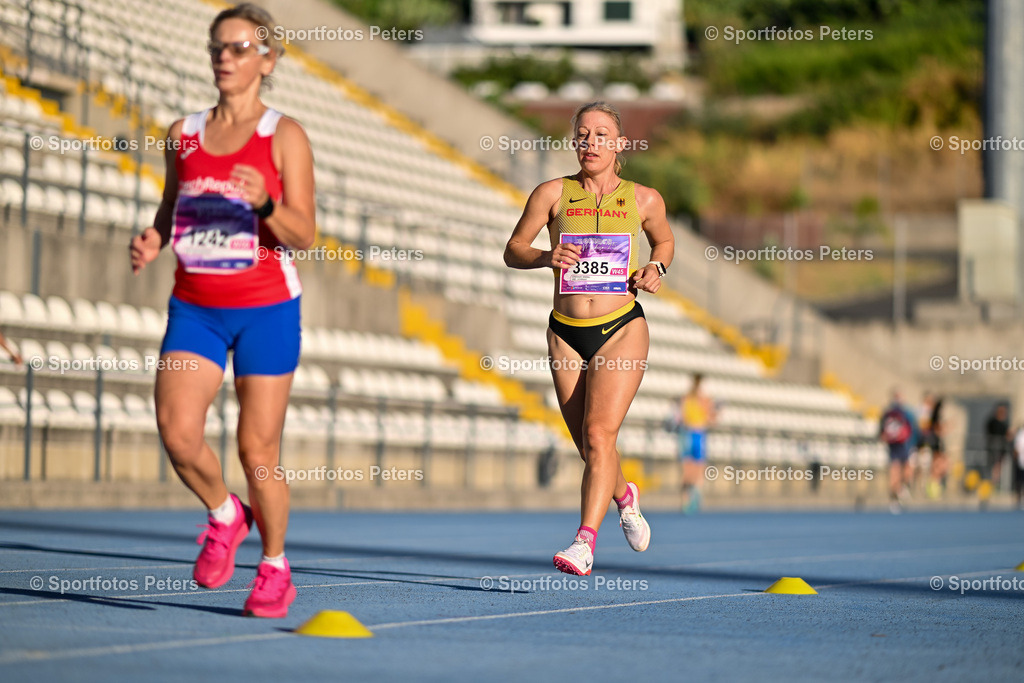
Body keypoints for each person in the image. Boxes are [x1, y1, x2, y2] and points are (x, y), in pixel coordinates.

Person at [129, 3, 315, 618]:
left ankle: (274, 566)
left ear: (267, 59)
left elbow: (304, 235)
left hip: (266, 309)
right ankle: (224, 514)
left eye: (238, 49)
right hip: (195, 307)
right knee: (179, 436)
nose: (225, 59)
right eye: (217, 48)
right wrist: (155, 237)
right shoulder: (183, 133)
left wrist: (264, 205)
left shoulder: (283, 135)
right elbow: (169, 203)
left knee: (257, 451)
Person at [504, 101, 674, 575]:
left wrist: (655, 267)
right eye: (583, 134)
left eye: (602, 135)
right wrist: (546, 257)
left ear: (620, 144)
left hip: (621, 327)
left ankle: (584, 542)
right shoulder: (552, 194)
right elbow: (513, 250)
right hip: (565, 332)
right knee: (588, 444)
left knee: (600, 435)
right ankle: (625, 494)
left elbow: (664, 242)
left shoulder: (645, 199)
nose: (590, 143)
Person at [674, 374, 716, 514]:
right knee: (697, 469)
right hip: (698, 434)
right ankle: (695, 498)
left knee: (686, 469)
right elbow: (711, 419)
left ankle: (685, 500)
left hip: (686, 434)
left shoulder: (686, 398)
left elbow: (679, 417)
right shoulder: (704, 400)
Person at [878, 389, 919, 514]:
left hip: (900, 444)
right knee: (898, 470)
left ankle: (899, 492)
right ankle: (897, 495)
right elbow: (914, 430)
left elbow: (881, 431)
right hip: (901, 445)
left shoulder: (889, 412)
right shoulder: (904, 413)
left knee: (900, 469)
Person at [924, 396, 948, 500]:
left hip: (937, 444)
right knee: (937, 468)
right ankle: (932, 490)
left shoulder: (934, 415)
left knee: (940, 467)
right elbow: (937, 430)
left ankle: (935, 489)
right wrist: (948, 426)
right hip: (935, 444)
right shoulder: (935, 416)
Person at [984, 403, 1011, 488]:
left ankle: (996, 484)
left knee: (999, 467)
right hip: (995, 448)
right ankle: (992, 484)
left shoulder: (1004, 423)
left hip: (1001, 449)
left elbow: (1007, 435)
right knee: (994, 467)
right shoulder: (993, 422)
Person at [1013, 424, 1024, 510]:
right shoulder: (1021, 435)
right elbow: (1017, 449)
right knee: (1020, 482)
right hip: (1021, 462)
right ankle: (1019, 499)